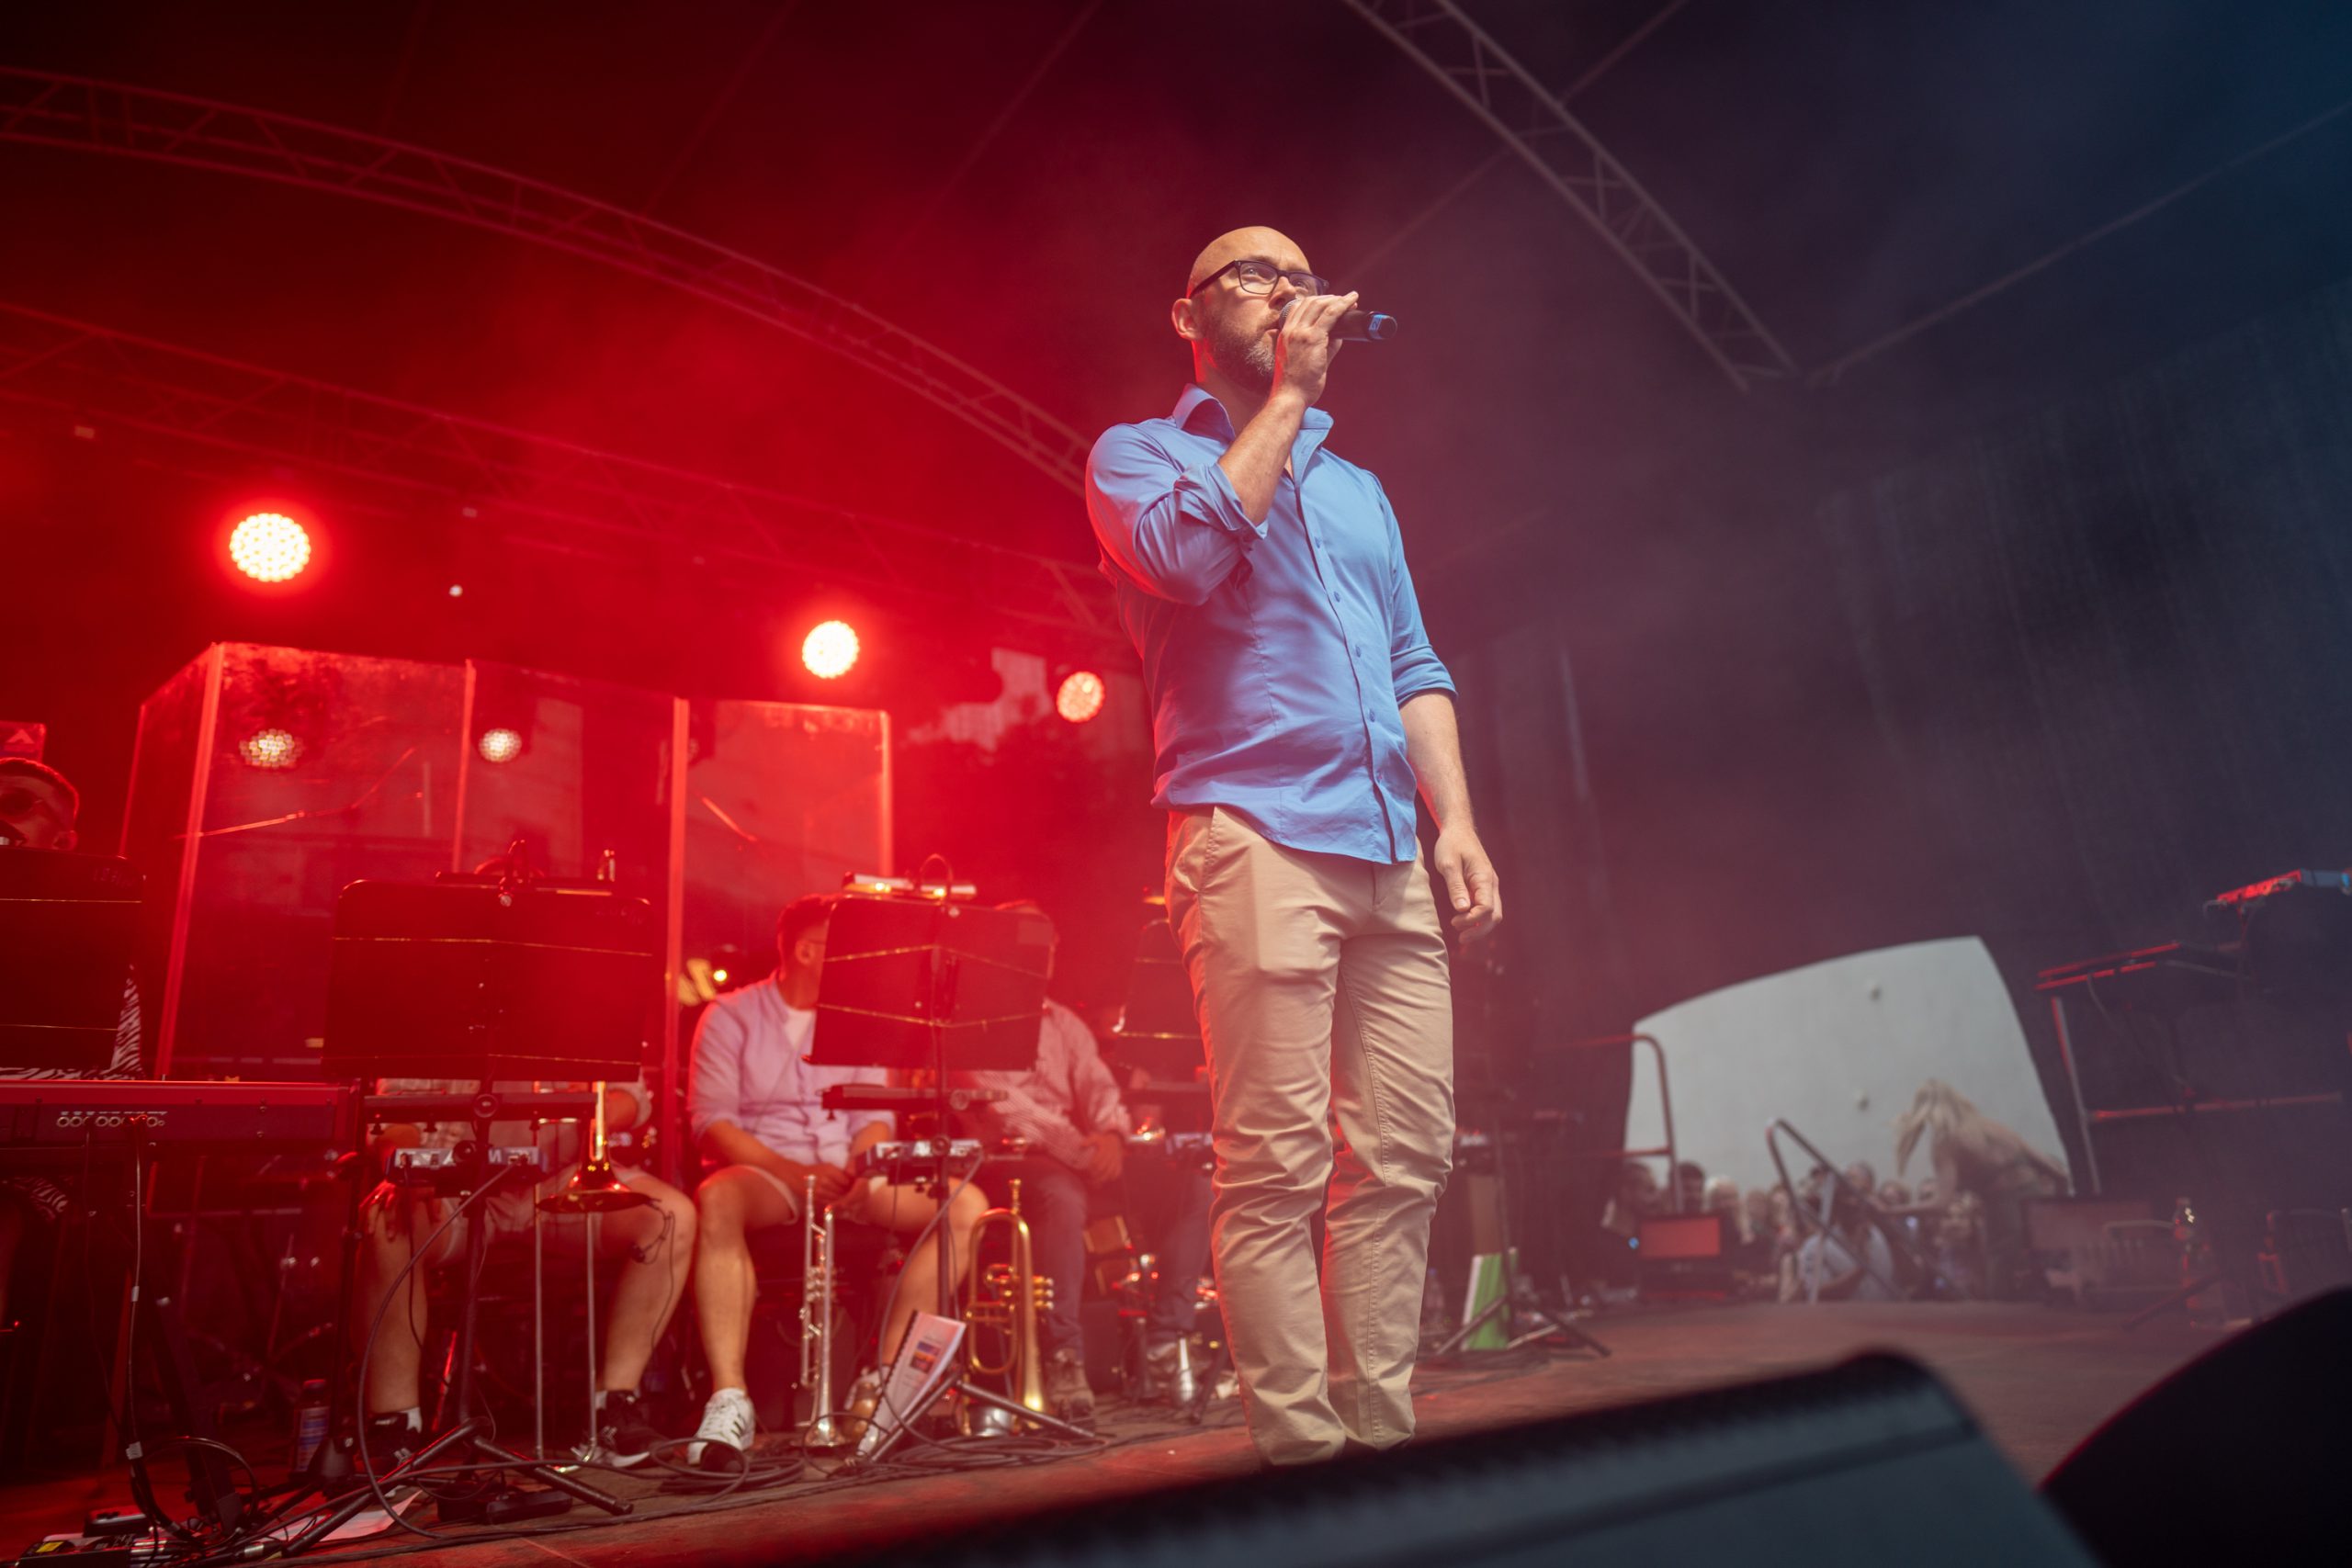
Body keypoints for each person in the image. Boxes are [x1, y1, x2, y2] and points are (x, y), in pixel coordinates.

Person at [1087, 226, 1501, 1465]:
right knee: (1273, 1164)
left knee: (1407, 1156)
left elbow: (1414, 662)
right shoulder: (1138, 456)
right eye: (1256, 274)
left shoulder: (1359, 488)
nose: (1287, 290)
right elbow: (1183, 558)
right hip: (1252, 830)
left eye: (1302, 277)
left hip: (1387, 845)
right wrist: (1289, 399)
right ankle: (1303, 1458)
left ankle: (1378, 1444)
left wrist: (1457, 822)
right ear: (1187, 315)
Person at [686, 894, 988, 1467]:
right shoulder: (729, 1015)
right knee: (716, 1197)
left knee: (966, 1203)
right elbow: (712, 1123)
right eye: (842, 949)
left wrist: (859, 1171)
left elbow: (875, 1116)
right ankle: (729, 1399)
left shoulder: (858, 1016)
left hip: (848, 1174)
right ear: (806, 951)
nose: (857, 961)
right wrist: (796, 1173)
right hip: (770, 1175)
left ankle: (886, 1382)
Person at [952, 903, 1213, 1423]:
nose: (1044, 956)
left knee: (1192, 1188)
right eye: (1030, 945)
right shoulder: (972, 1021)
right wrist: (1081, 1149)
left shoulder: (1063, 1022)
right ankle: (1063, 1355)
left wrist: (1113, 1133)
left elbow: (1097, 1085)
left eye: (1048, 946)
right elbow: (1002, 1105)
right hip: (1006, 1160)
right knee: (1062, 1196)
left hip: (1078, 1155)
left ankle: (1167, 1338)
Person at [355, 1077, 693, 1466]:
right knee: (386, 1222)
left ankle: (613, 1406)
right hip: (454, 1180)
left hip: (559, 1178)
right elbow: (394, 1112)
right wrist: (407, 1166)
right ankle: (394, 1423)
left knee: (670, 1216)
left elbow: (632, 1097)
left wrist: (593, 1112)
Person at [0, 759, 143, 1329]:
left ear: (64, 841)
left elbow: (116, 1093)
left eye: (15, 804)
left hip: (19, 1170)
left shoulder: (95, 959)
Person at [1892, 1080, 2068, 1297]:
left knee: (2002, 1288)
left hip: (2005, 1212)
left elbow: (1940, 1204)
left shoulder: (1946, 1142)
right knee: (2042, 1282)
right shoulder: (1995, 1130)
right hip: (2038, 1206)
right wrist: (2057, 1216)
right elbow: (2059, 1175)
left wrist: (1892, 1212)